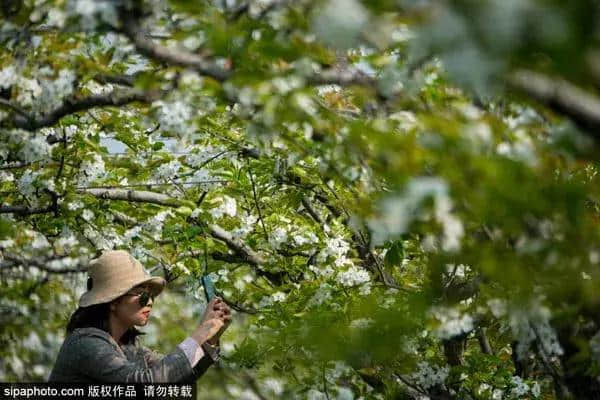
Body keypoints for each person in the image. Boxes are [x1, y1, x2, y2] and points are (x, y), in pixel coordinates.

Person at [48, 249, 232, 382]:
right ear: (113, 301)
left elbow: (177, 376)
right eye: (142, 295)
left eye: (151, 295)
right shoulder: (86, 344)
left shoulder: (130, 347)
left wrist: (211, 338)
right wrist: (200, 333)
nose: (150, 302)